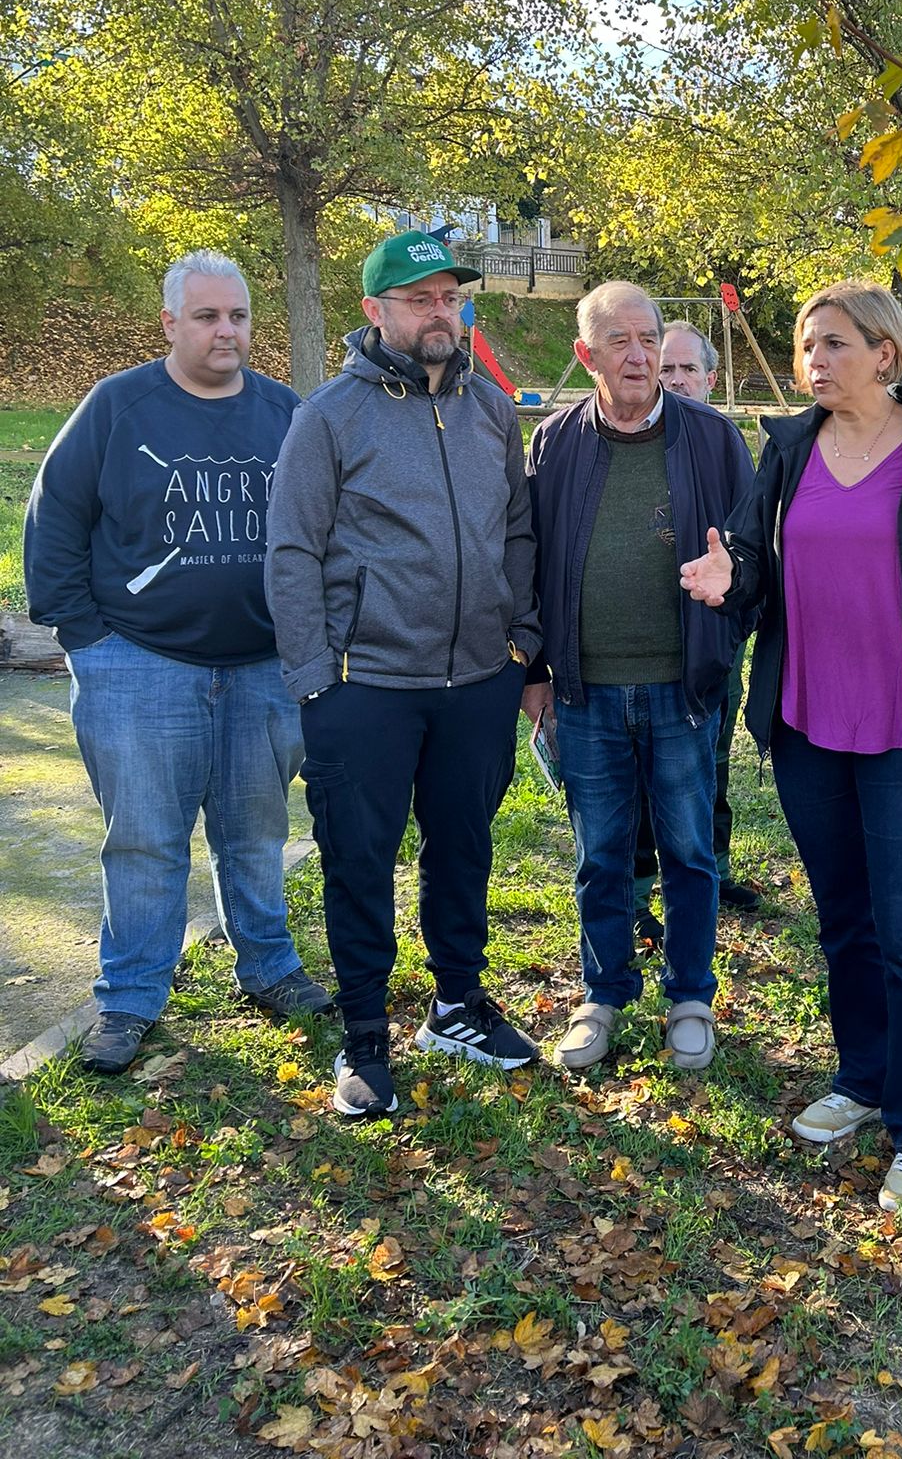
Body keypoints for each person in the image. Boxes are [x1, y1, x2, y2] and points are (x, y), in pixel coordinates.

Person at [679, 281, 902, 1216]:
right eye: (804, 346)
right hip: (805, 720)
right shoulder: (788, 449)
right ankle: (863, 1078)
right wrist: (726, 576)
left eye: (831, 344)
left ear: (886, 354)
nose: (813, 362)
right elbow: (749, 558)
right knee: (842, 918)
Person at [24, 251, 329, 1075]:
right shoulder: (119, 406)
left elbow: (326, 525)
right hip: (140, 663)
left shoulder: (285, 413)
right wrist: (85, 635)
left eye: (236, 316)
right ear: (169, 323)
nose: (224, 331)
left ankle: (267, 966)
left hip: (265, 666)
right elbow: (53, 518)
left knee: (257, 833)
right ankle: (129, 997)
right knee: (147, 841)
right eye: (205, 317)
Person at [266, 230, 541, 1120]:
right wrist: (318, 677)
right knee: (360, 861)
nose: (440, 313)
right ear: (374, 312)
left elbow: (519, 534)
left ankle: (456, 1003)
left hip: (475, 683)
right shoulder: (328, 418)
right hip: (365, 686)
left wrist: (518, 644)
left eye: (450, 298)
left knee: (463, 848)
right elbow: (291, 551)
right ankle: (363, 1038)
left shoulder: (492, 411)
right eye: (420, 298)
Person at [523, 284, 755, 1075]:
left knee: (691, 850)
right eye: (617, 341)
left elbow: (756, 556)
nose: (638, 355)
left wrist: (723, 629)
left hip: (679, 686)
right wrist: (535, 671)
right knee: (602, 852)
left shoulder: (712, 439)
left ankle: (690, 993)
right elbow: (531, 562)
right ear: (587, 355)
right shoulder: (554, 443)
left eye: (648, 338)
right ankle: (604, 992)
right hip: (586, 690)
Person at [629, 322, 759, 929]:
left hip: (711, 643)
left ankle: (716, 863)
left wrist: (733, 623)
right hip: (637, 648)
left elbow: (759, 548)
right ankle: (638, 887)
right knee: (635, 775)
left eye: (688, 370)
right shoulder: (632, 438)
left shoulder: (727, 446)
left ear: (711, 378)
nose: (676, 379)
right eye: (668, 369)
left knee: (711, 758)